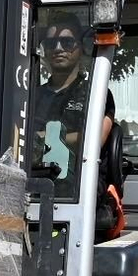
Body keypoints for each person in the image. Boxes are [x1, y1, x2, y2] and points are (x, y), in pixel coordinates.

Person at [32, 12, 115, 196]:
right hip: (34, 180)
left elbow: (93, 141)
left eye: (67, 42)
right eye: (51, 44)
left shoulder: (97, 95)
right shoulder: (32, 96)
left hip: (79, 185)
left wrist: (42, 138)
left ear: (81, 47)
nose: (58, 48)